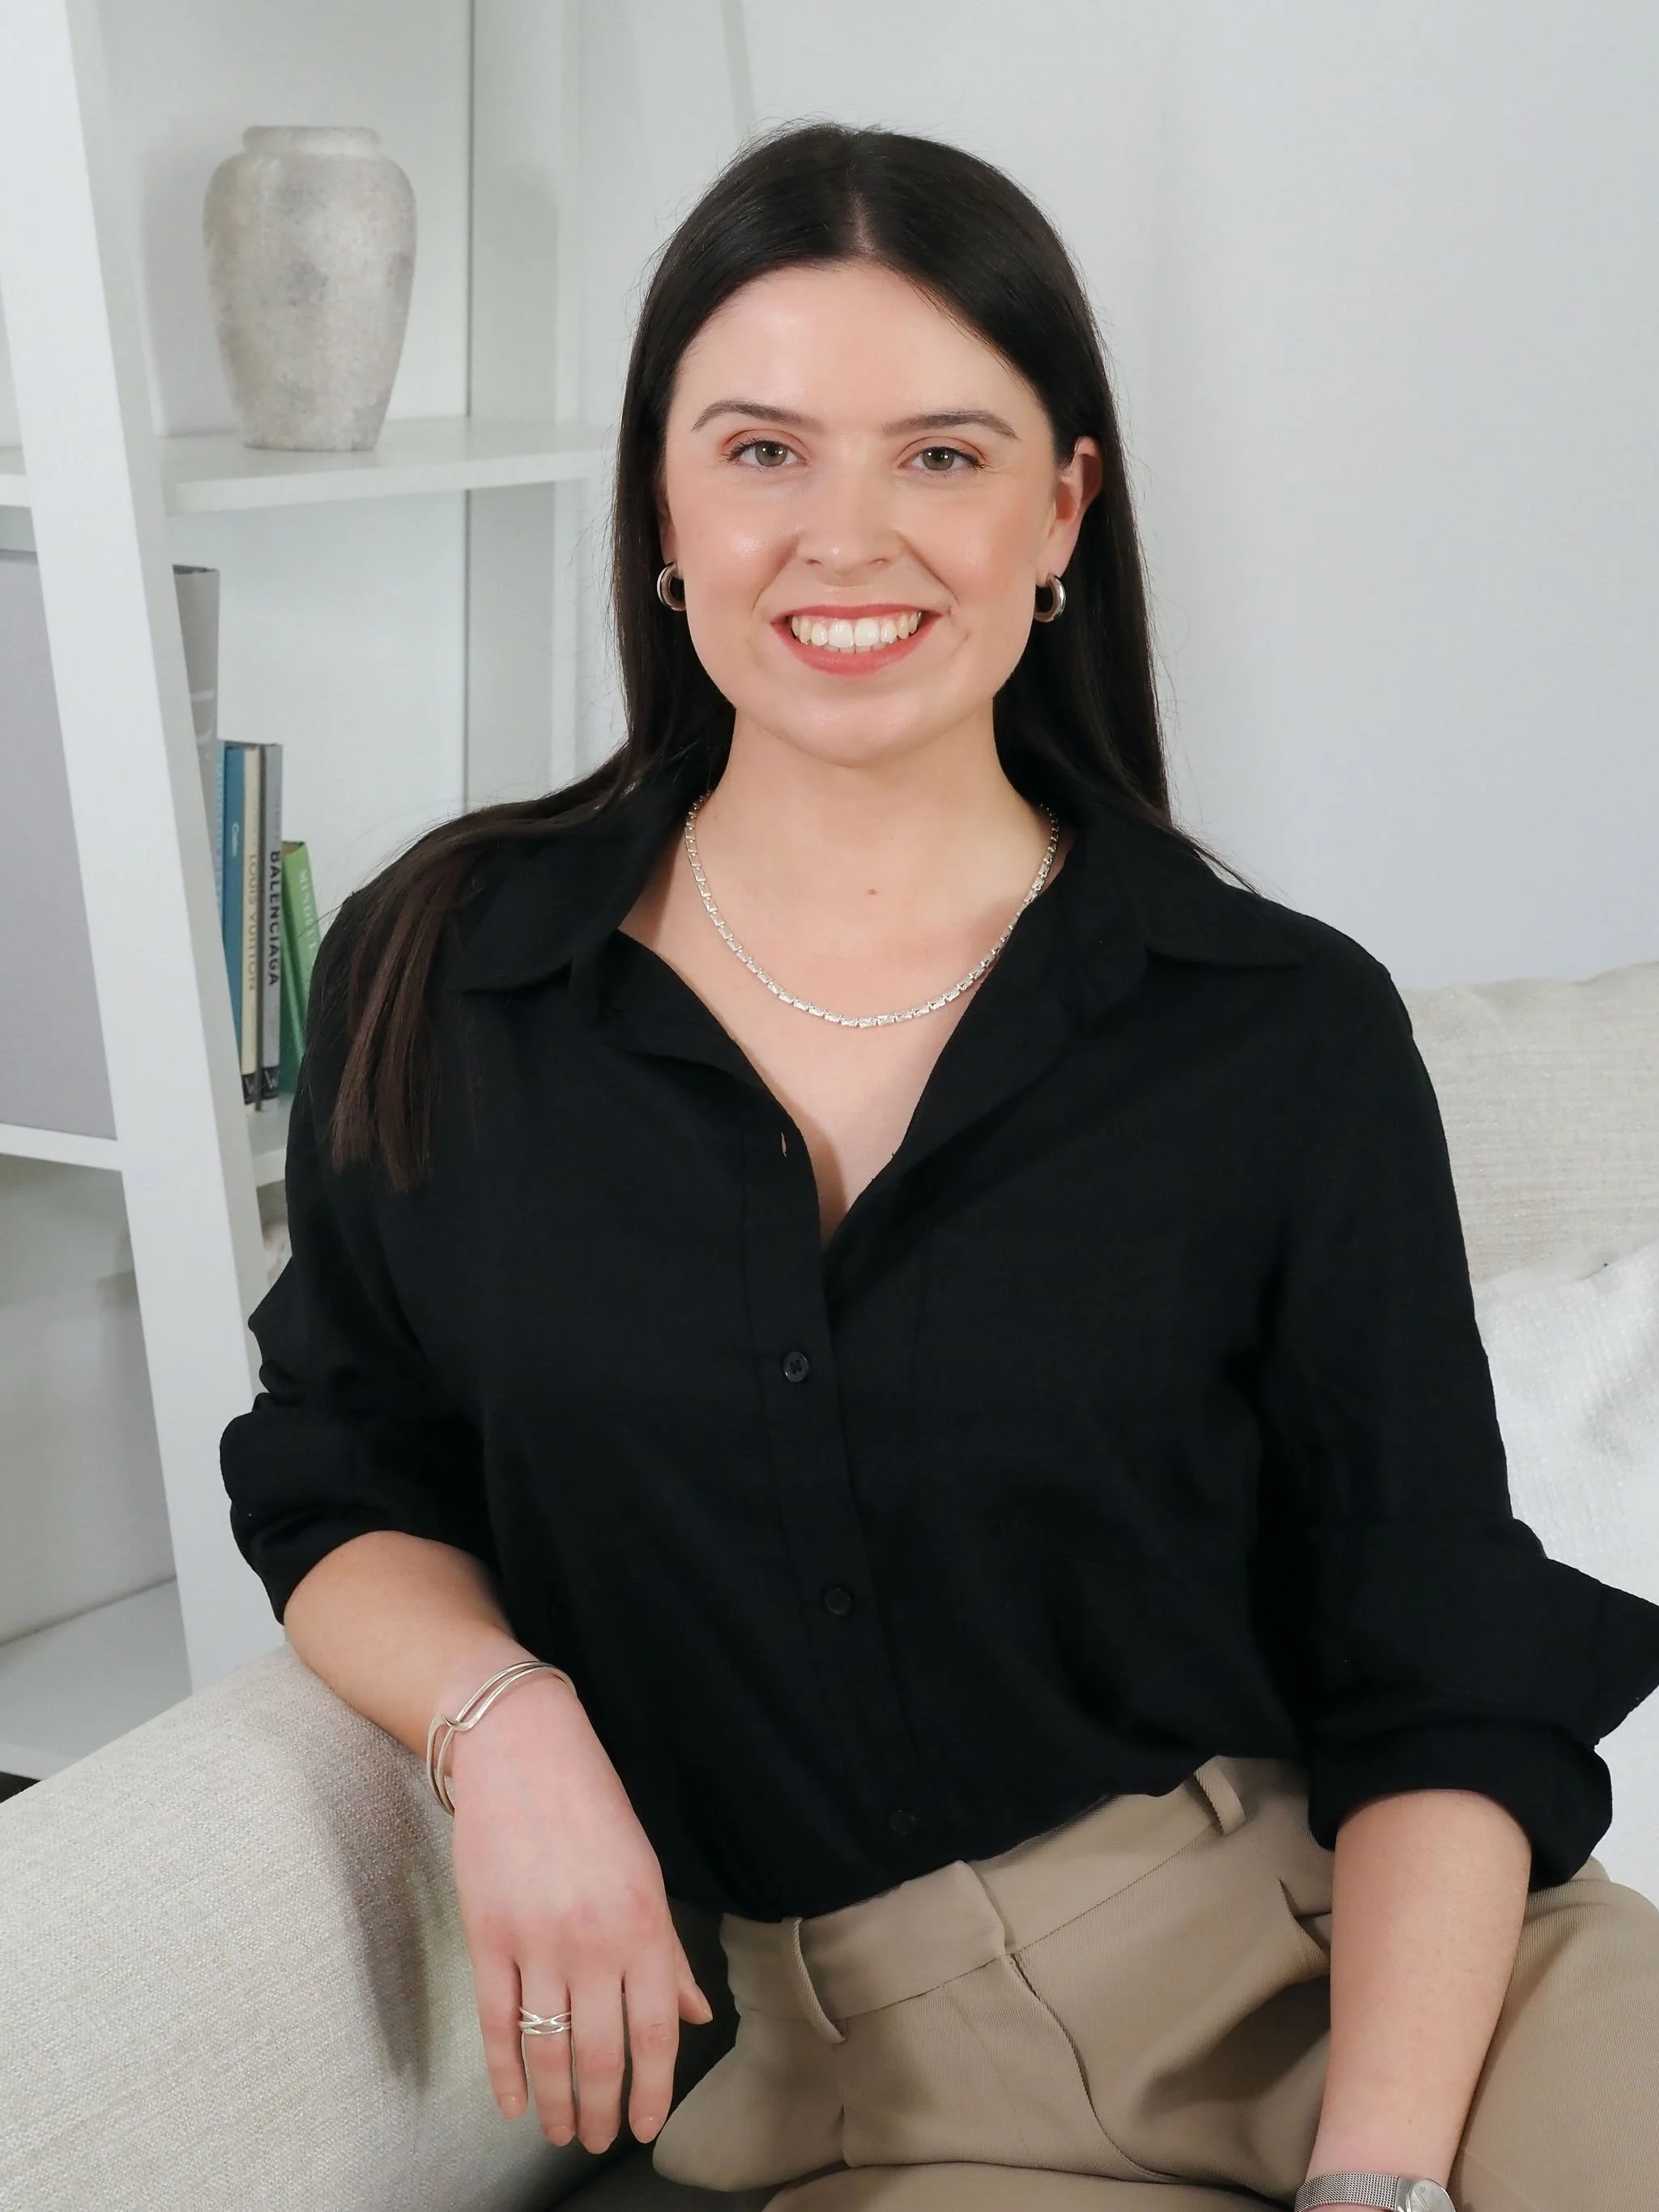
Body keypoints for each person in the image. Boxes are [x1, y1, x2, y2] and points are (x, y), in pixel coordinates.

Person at [220, 123, 1659, 2212]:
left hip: (1366, 1977)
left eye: (946, 455)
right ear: (660, 507)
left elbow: (1427, 1658)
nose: (849, 537)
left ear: (1064, 506)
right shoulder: (446, 978)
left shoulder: (1275, 1028)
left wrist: (1385, 2187)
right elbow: (340, 1470)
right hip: (845, 2092)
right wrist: (504, 1722)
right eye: (765, 450)